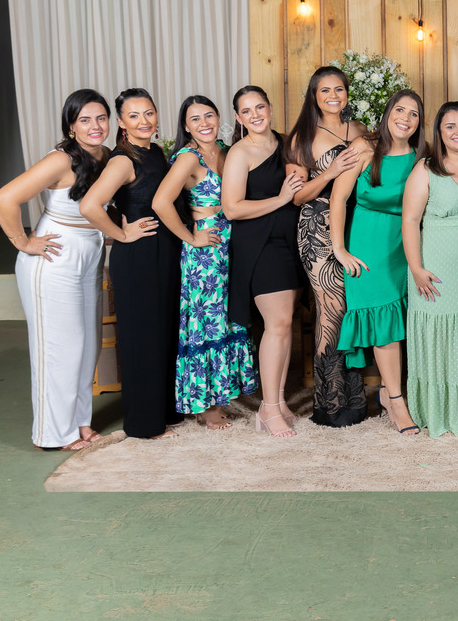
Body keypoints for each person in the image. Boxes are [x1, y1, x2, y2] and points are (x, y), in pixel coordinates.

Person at [0, 90, 111, 450]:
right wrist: (24, 242)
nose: (95, 126)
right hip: (54, 259)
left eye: (101, 118)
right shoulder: (61, 160)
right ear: (71, 126)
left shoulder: (106, 156)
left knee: (87, 346)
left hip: (89, 254)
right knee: (60, 349)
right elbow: (4, 198)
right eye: (85, 120)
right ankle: (52, 435)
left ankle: (79, 423)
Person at [80, 89, 183, 440]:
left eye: (149, 113)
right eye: (134, 115)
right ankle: (143, 424)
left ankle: (164, 412)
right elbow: (90, 205)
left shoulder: (154, 152)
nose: (144, 121)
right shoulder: (123, 160)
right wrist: (121, 235)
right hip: (139, 256)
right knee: (143, 338)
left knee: (163, 332)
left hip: (164, 251)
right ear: (122, 122)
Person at [151, 96, 255, 431]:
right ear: (186, 125)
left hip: (234, 242)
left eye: (209, 115)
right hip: (206, 251)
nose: (204, 123)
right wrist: (191, 237)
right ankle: (205, 405)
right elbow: (161, 202)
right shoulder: (188, 157)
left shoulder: (227, 150)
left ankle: (222, 394)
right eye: (195, 119)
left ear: (219, 117)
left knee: (229, 318)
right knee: (206, 322)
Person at [331, 89, 425, 436]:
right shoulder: (364, 148)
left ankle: (388, 390)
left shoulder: (422, 157)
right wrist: (340, 249)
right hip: (368, 245)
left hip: (406, 245)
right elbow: (339, 197)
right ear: (387, 114)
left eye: (413, 114)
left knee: (401, 321)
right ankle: (396, 402)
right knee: (384, 322)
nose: (405, 118)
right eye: (400, 110)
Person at [401, 102, 458, 437]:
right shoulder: (426, 169)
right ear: (439, 133)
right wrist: (416, 268)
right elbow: (410, 221)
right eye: (450, 126)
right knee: (439, 341)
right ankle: (438, 412)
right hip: (434, 272)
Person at [222, 86, 306, 438]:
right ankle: (268, 408)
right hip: (259, 244)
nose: (255, 115)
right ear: (238, 118)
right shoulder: (239, 152)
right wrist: (282, 198)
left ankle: (279, 400)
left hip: (290, 241)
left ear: (270, 107)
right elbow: (232, 208)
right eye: (246, 111)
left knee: (285, 324)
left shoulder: (287, 143)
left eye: (259, 107)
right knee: (278, 323)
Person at [288, 66, 367, 428]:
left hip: (353, 226)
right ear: (314, 96)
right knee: (331, 309)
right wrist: (331, 171)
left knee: (349, 310)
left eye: (339, 89)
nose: (333, 96)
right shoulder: (302, 137)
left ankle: (354, 399)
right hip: (317, 230)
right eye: (325, 90)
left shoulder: (359, 129)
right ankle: (329, 403)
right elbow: (297, 196)